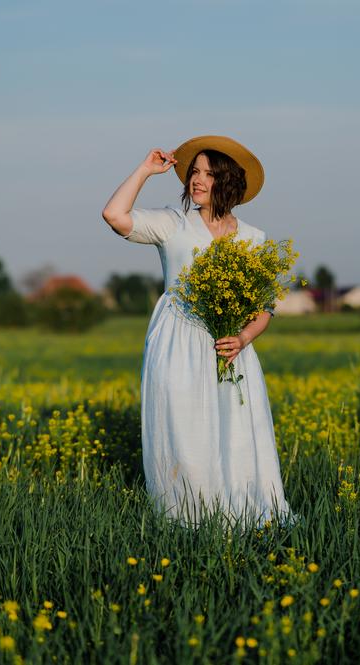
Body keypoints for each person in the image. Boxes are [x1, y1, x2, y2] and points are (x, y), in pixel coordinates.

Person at [101, 135, 299, 531]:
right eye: (194, 171)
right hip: (177, 343)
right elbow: (114, 215)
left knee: (237, 433)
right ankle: (190, 520)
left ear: (227, 181)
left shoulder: (253, 238)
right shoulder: (172, 223)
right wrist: (145, 170)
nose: (196, 179)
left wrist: (242, 339)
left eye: (208, 173)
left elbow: (263, 311)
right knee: (185, 432)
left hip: (230, 349)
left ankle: (241, 515)